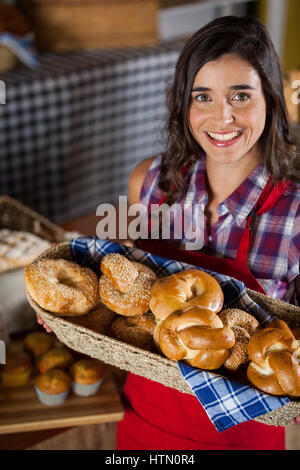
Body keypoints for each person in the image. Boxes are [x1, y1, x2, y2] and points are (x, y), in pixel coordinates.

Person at [38, 15, 300, 449]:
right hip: (145, 419)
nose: (223, 117)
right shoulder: (150, 182)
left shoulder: (294, 213)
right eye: (203, 96)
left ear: (270, 100)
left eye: (241, 95)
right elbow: (130, 297)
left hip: (243, 436)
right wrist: (70, 310)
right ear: (184, 104)